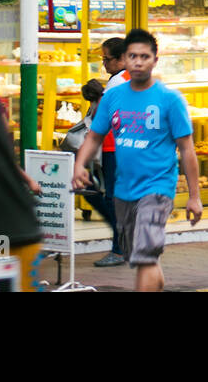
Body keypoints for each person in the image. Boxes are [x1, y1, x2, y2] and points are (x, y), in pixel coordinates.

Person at [72, 28, 201, 292]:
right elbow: (95, 136)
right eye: (133, 56)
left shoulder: (170, 100)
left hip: (156, 190)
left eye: (145, 56)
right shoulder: (114, 97)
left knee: (144, 259)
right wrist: (79, 165)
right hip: (124, 190)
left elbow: (187, 149)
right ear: (125, 60)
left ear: (155, 60)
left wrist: (194, 196)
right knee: (142, 259)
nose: (139, 62)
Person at [81, 37, 128, 267]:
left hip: (114, 147)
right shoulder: (128, 77)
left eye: (107, 59)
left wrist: (97, 97)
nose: (104, 64)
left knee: (107, 197)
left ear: (121, 59)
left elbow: (107, 115)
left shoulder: (118, 81)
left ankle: (120, 249)